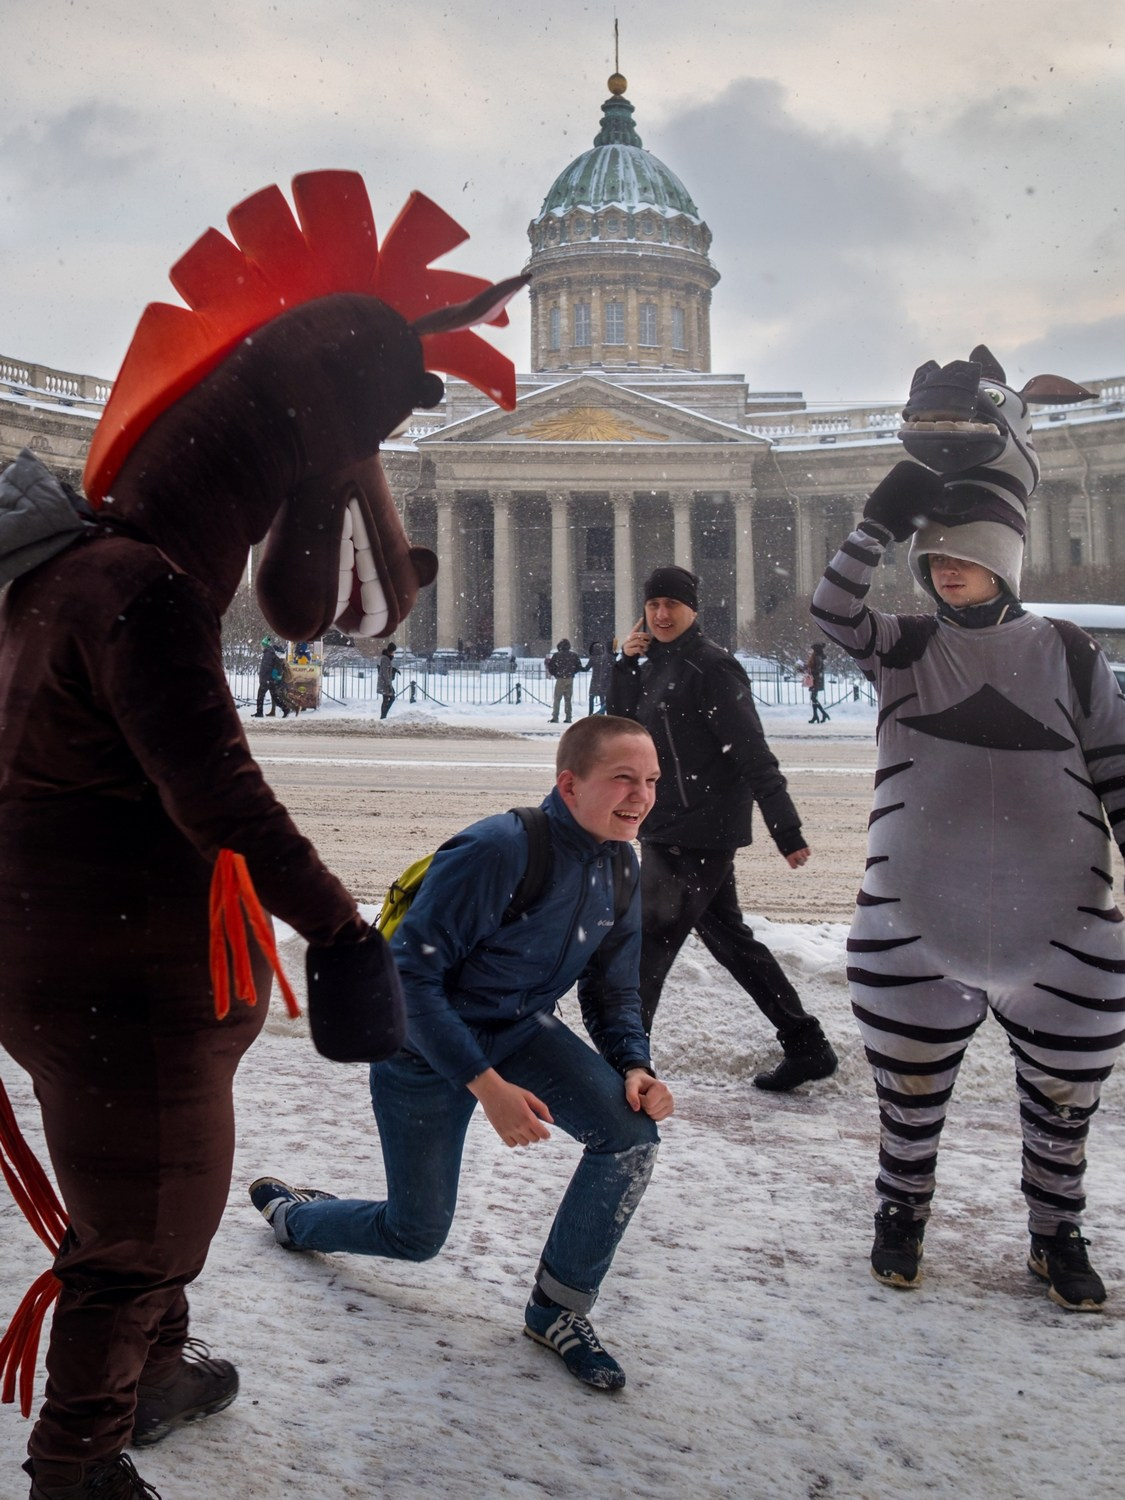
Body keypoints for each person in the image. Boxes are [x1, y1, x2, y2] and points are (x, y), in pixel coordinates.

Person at [811, 347, 1114, 1310]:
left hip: (1061, 928)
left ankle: (1054, 1233)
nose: (946, 574)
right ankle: (899, 1215)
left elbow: (1115, 767)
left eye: (966, 561)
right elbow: (831, 611)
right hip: (915, 921)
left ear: (1003, 562)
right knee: (905, 1104)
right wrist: (872, 526)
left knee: (1062, 1112)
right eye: (935, 560)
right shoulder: (904, 647)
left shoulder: (1064, 650)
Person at [249, 716, 674, 1391]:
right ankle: (297, 1218)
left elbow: (613, 986)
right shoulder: (498, 849)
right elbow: (407, 977)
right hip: (422, 1050)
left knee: (629, 1136)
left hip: (521, 1030)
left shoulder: (621, 861)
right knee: (414, 1235)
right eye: (623, 778)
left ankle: (556, 1312)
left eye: (650, 780)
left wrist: (633, 1064)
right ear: (568, 784)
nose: (641, 796)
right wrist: (484, 1083)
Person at [608, 565, 837, 1091]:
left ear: (693, 609)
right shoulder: (653, 664)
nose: (662, 615)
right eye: (654, 604)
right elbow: (620, 730)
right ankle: (807, 1046)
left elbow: (751, 751)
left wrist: (786, 827)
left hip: (701, 829)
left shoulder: (712, 667)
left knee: (645, 947)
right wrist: (624, 665)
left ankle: (622, 1067)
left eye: (672, 605)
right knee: (731, 941)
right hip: (665, 822)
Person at [545, 637, 585, 723]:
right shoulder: (574, 655)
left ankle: (555, 717)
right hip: (570, 678)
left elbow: (551, 667)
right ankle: (568, 717)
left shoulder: (556, 655)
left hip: (560, 678)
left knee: (557, 699)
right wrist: (572, 672)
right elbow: (579, 667)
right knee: (568, 700)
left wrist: (555, 674)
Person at [253, 635, 286, 717]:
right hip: (269, 679)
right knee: (274, 696)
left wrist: (265, 678)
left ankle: (259, 712)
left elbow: (267, 668)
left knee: (261, 696)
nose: (261, 647)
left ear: (266, 645)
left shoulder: (268, 654)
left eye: (262, 645)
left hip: (267, 679)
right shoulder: (270, 653)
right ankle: (285, 709)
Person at [804, 641, 829, 723]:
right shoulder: (818, 657)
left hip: (816, 679)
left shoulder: (817, 657)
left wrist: (808, 670)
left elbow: (817, 669)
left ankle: (822, 714)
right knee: (814, 698)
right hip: (815, 679)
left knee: (813, 698)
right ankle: (816, 716)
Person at [587, 639, 612, 714]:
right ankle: (602, 713)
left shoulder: (592, 658)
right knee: (602, 698)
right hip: (602, 680)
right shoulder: (605, 658)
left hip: (594, 680)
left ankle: (590, 713)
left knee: (591, 697)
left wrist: (578, 668)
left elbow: (586, 668)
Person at [377, 641, 398, 719]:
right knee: (389, 699)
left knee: (387, 699)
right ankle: (383, 716)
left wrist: (394, 670)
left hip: (385, 682)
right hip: (385, 683)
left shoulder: (386, 658)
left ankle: (383, 716)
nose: (394, 654)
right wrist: (388, 684)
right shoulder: (385, 659)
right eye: (394, 652)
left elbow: (386, 669)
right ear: (391, 651)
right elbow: (384, 672)